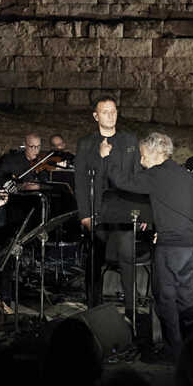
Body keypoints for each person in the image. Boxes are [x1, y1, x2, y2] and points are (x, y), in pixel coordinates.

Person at [130, 133, 193, 357]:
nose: (142, 162)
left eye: (143, 156)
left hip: (170, 245)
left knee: (165, 297)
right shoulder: (186, 175)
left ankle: (173, 348)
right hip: (192, 245)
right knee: (186, 296)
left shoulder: (155, 175)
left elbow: (123, 182)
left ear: (156, 153)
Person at [74, 97, 145, 331]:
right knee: (94, 262)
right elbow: (82, 181)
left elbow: (137, 177)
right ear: (96, 116)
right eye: (105, 112)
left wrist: (142, 212)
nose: (110, 116)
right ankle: (93, 310)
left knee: (127, 259)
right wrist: (84, 214)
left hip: (124, 212)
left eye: (113, 111)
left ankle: (132, 313)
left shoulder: (128, 140)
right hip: (96, 212)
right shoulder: (86, 144)